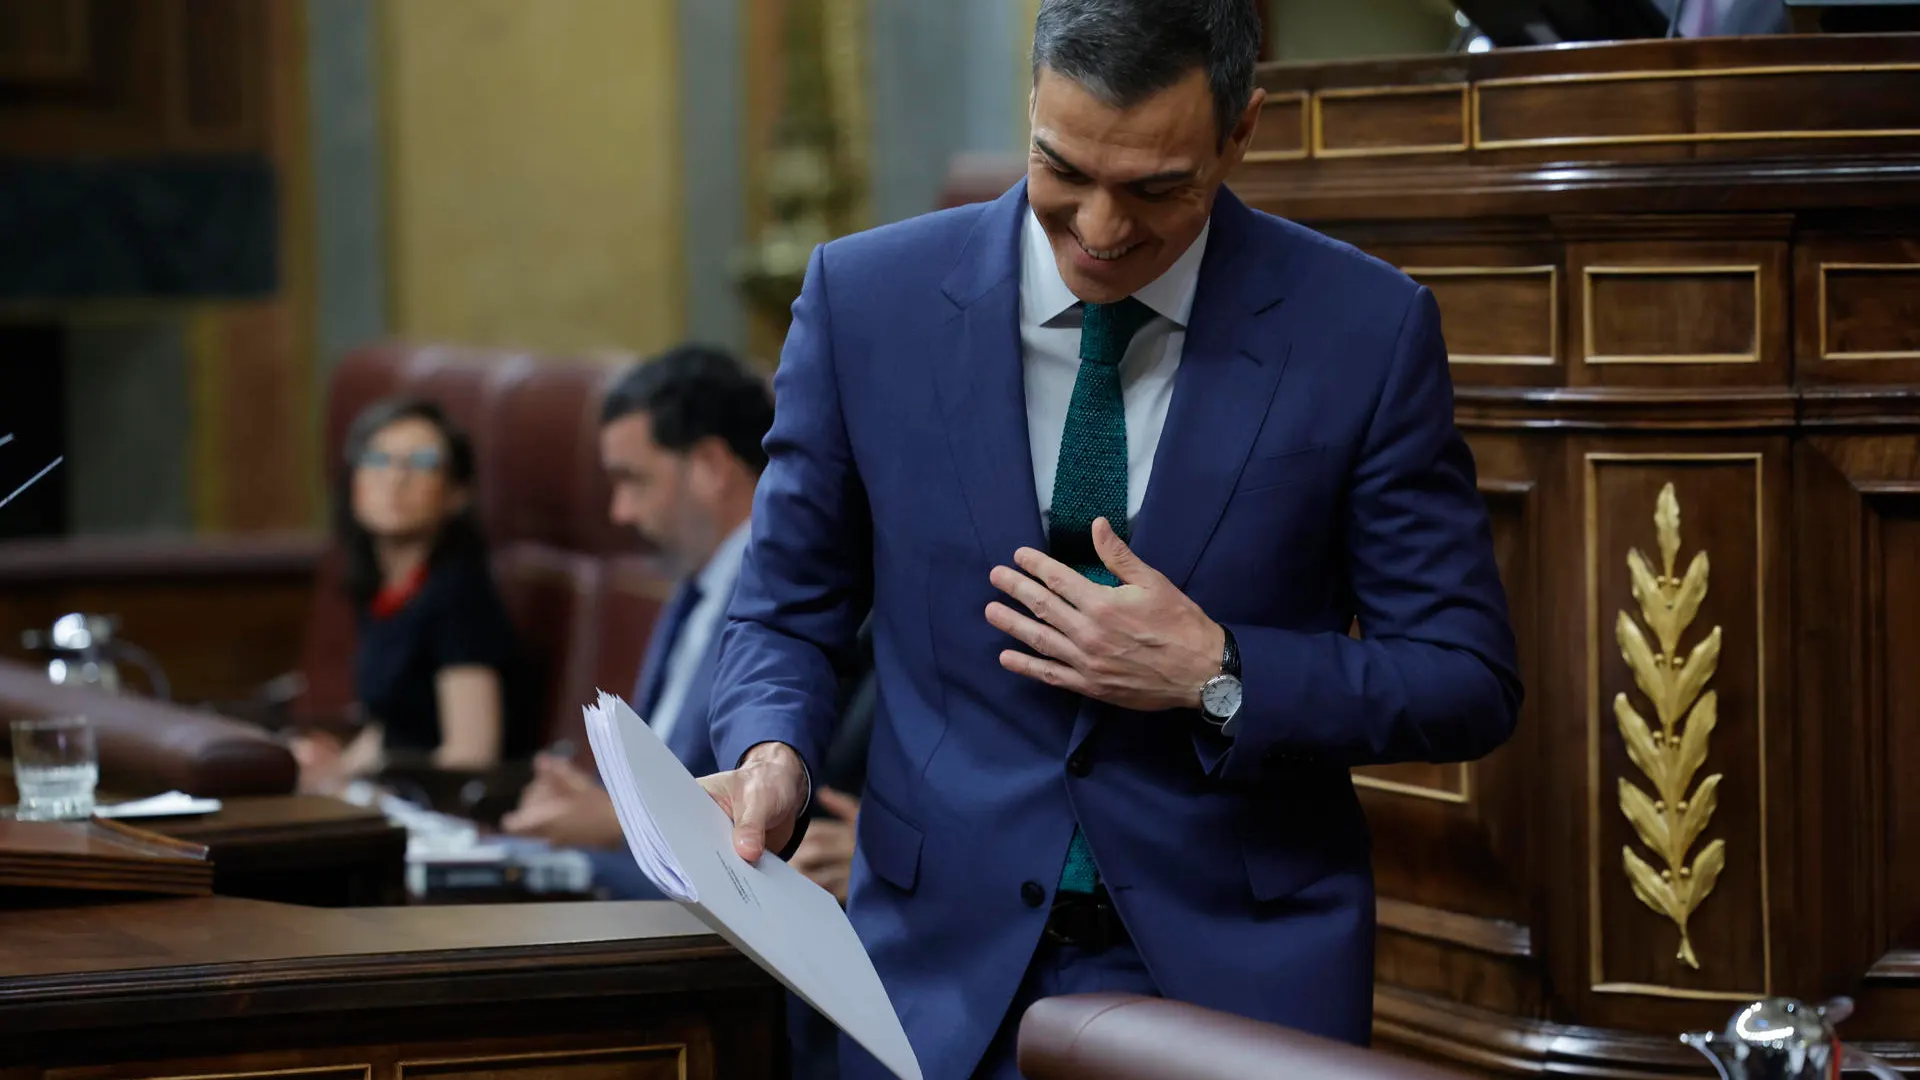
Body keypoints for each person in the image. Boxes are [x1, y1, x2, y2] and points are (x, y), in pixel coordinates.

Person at [699, 2, 1524, 1078]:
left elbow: (1465, 678)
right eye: (1062, 169)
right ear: (1032, 101)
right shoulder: (868, 304)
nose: (1098, 227)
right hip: (931, 981)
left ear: (1240, 134)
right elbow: (784, 610)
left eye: (1154, 189)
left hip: (1234, 985)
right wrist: (773, 757)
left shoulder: (1363, 331)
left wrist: (1220, 675)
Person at [498, 344, 865, 1080]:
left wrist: (615, 821)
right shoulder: (696, 586)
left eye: (634, 479)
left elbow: (776, 823)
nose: (619, 512)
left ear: (708, 463)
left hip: (737, 947)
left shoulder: (813, 607)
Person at [295, 397, 538, 793]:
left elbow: (471, 756)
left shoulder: (459, 596)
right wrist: (331, 770)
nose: (395, 478)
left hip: (445, 815)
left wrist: (351, 786)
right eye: (377, 460)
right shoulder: (385, 587)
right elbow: (396, 729)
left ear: (457, 493)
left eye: (422, 463)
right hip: (397, 795)